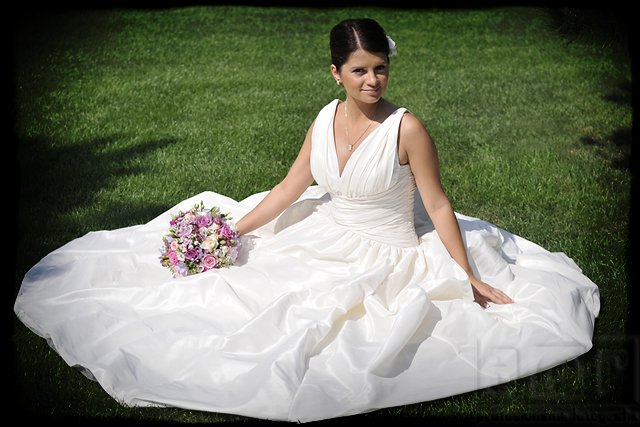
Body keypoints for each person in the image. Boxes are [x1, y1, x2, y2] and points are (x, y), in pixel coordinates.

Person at [14, 18, 599, 423]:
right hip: (326, 226)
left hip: (386, 249)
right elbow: (290, 188)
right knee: (236, 293)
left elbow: (439, 204)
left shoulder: (407, 129)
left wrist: (467, 274)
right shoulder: (323, 119)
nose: (373, 81)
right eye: (359, 70)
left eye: (381, 69)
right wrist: (231, 232)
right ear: (335, 73)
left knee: (312, 326)